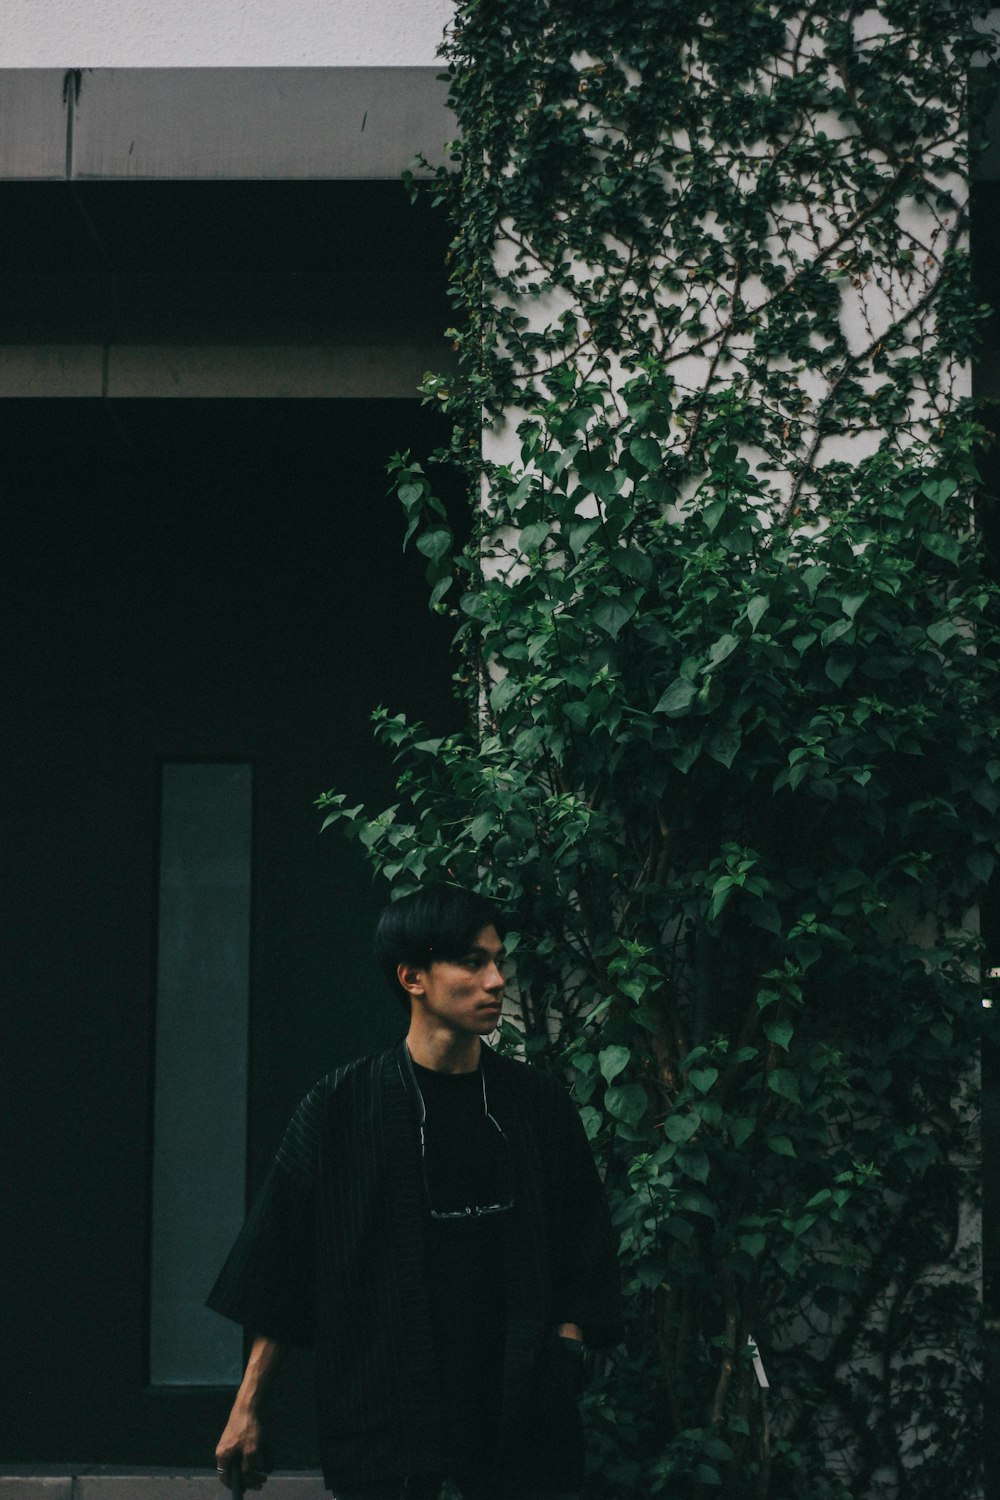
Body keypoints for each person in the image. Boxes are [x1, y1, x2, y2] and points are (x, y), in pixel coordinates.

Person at [208, 884, 622, 1500]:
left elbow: (585, 1239)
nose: (496, 981)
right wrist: (245, 1408)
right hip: (389, 1410)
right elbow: (284, 1261)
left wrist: (566, 1347)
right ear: (413, 977)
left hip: (520, 1409)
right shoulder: (343, 1106)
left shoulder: (536, 1105)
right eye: (473, 962)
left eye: (497, 960)